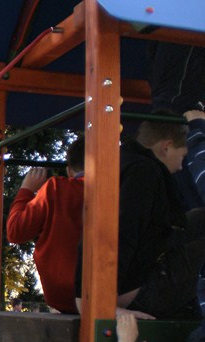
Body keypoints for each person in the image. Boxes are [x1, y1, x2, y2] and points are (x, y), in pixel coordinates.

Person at [76, 117, 205, 319]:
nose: (181, 167)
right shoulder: (144, 173)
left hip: (126, 281)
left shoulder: (121, 163)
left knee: (200, 217)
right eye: (183, 157)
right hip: (135, 293)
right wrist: (101, 305)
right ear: (166, 147)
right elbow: (123, 233)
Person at [7, 139, 85, 314]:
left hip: (62, 295)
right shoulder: (117, 190)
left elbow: (15, 231)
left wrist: (26, 190)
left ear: (69, 170)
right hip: (107, 291)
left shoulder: (56, 188)